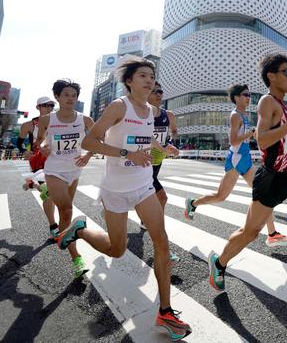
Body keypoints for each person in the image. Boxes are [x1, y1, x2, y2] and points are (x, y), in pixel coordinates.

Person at [61, 57, 191, 340]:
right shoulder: (120, 106)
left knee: (162, 241)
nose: (149, 80)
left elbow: (144, 136)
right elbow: (89, 142)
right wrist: (125, 154)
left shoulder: (151, 110)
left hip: (144, 186)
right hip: (115, 190)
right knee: (116, 250)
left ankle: (165, 312)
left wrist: (162, 146)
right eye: (142, 75)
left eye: (152, 76)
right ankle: (80, 229)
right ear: (129, 81)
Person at [207, 54, 287, 299]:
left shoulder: (285, 106)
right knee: (250, 232)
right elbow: (263, 139)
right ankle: (219, 262)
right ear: (271, 75)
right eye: (286, 72)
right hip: (270, 180)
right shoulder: (267, 102)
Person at [184, 84, 287, 248]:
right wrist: (250, 134)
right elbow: (233, 141)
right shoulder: (235, 115)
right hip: (235, 160)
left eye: (249, 95)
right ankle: (193, 203)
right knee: (221, 197)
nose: (249, 97)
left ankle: (272, 234)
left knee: (264, 194)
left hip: (246, 159)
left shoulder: (245, 115)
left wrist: (255, 135)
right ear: (236, 98)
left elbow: (244, 138)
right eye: (245, 95)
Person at [34, 80, 94, 278]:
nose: (70, 98)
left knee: (66, 216)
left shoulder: (85, 119)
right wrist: (43, 146)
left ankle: (48, 194)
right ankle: (76, 258)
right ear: (57, 97)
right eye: (66, 94)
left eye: (74, 95)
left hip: (75, 170)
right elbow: (40, 140)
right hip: (54, 170)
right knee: (66, 209)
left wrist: (87, 155)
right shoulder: (46, 119)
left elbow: (96, 139)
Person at [147, 82, 181, 264]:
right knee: (162, 198)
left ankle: (147, 219)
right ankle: (161, 244)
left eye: (160, 91)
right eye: (154, 91)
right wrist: (162, 146)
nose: (159, 94)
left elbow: (174, 132)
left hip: (158, 159)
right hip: (144, 160)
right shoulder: (143, 112)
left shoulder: (169, 115)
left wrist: (173, 142)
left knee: (148, 194)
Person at [18, 96, 58, 239]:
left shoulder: (58, 121)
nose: (49, 108)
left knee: (55, 192)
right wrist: (24, 151)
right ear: (38, 107)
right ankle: (53, 226)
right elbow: (18, 142)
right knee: (48, 193)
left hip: (56, 159)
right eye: (45, 105)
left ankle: (32, 182)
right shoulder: (29, 125)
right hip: (38, 160)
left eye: (51, 105)